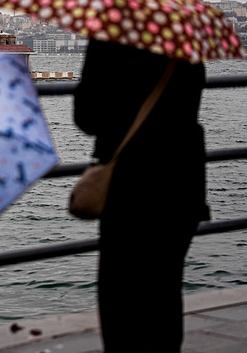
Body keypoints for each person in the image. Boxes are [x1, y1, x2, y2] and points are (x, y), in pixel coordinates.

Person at [73, 39, 209, 353]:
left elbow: (87, 117)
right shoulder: (185, 41)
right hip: (180, 186)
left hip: (129, 188)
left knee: (121, 297)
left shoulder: (111, 40)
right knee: (166, 290)